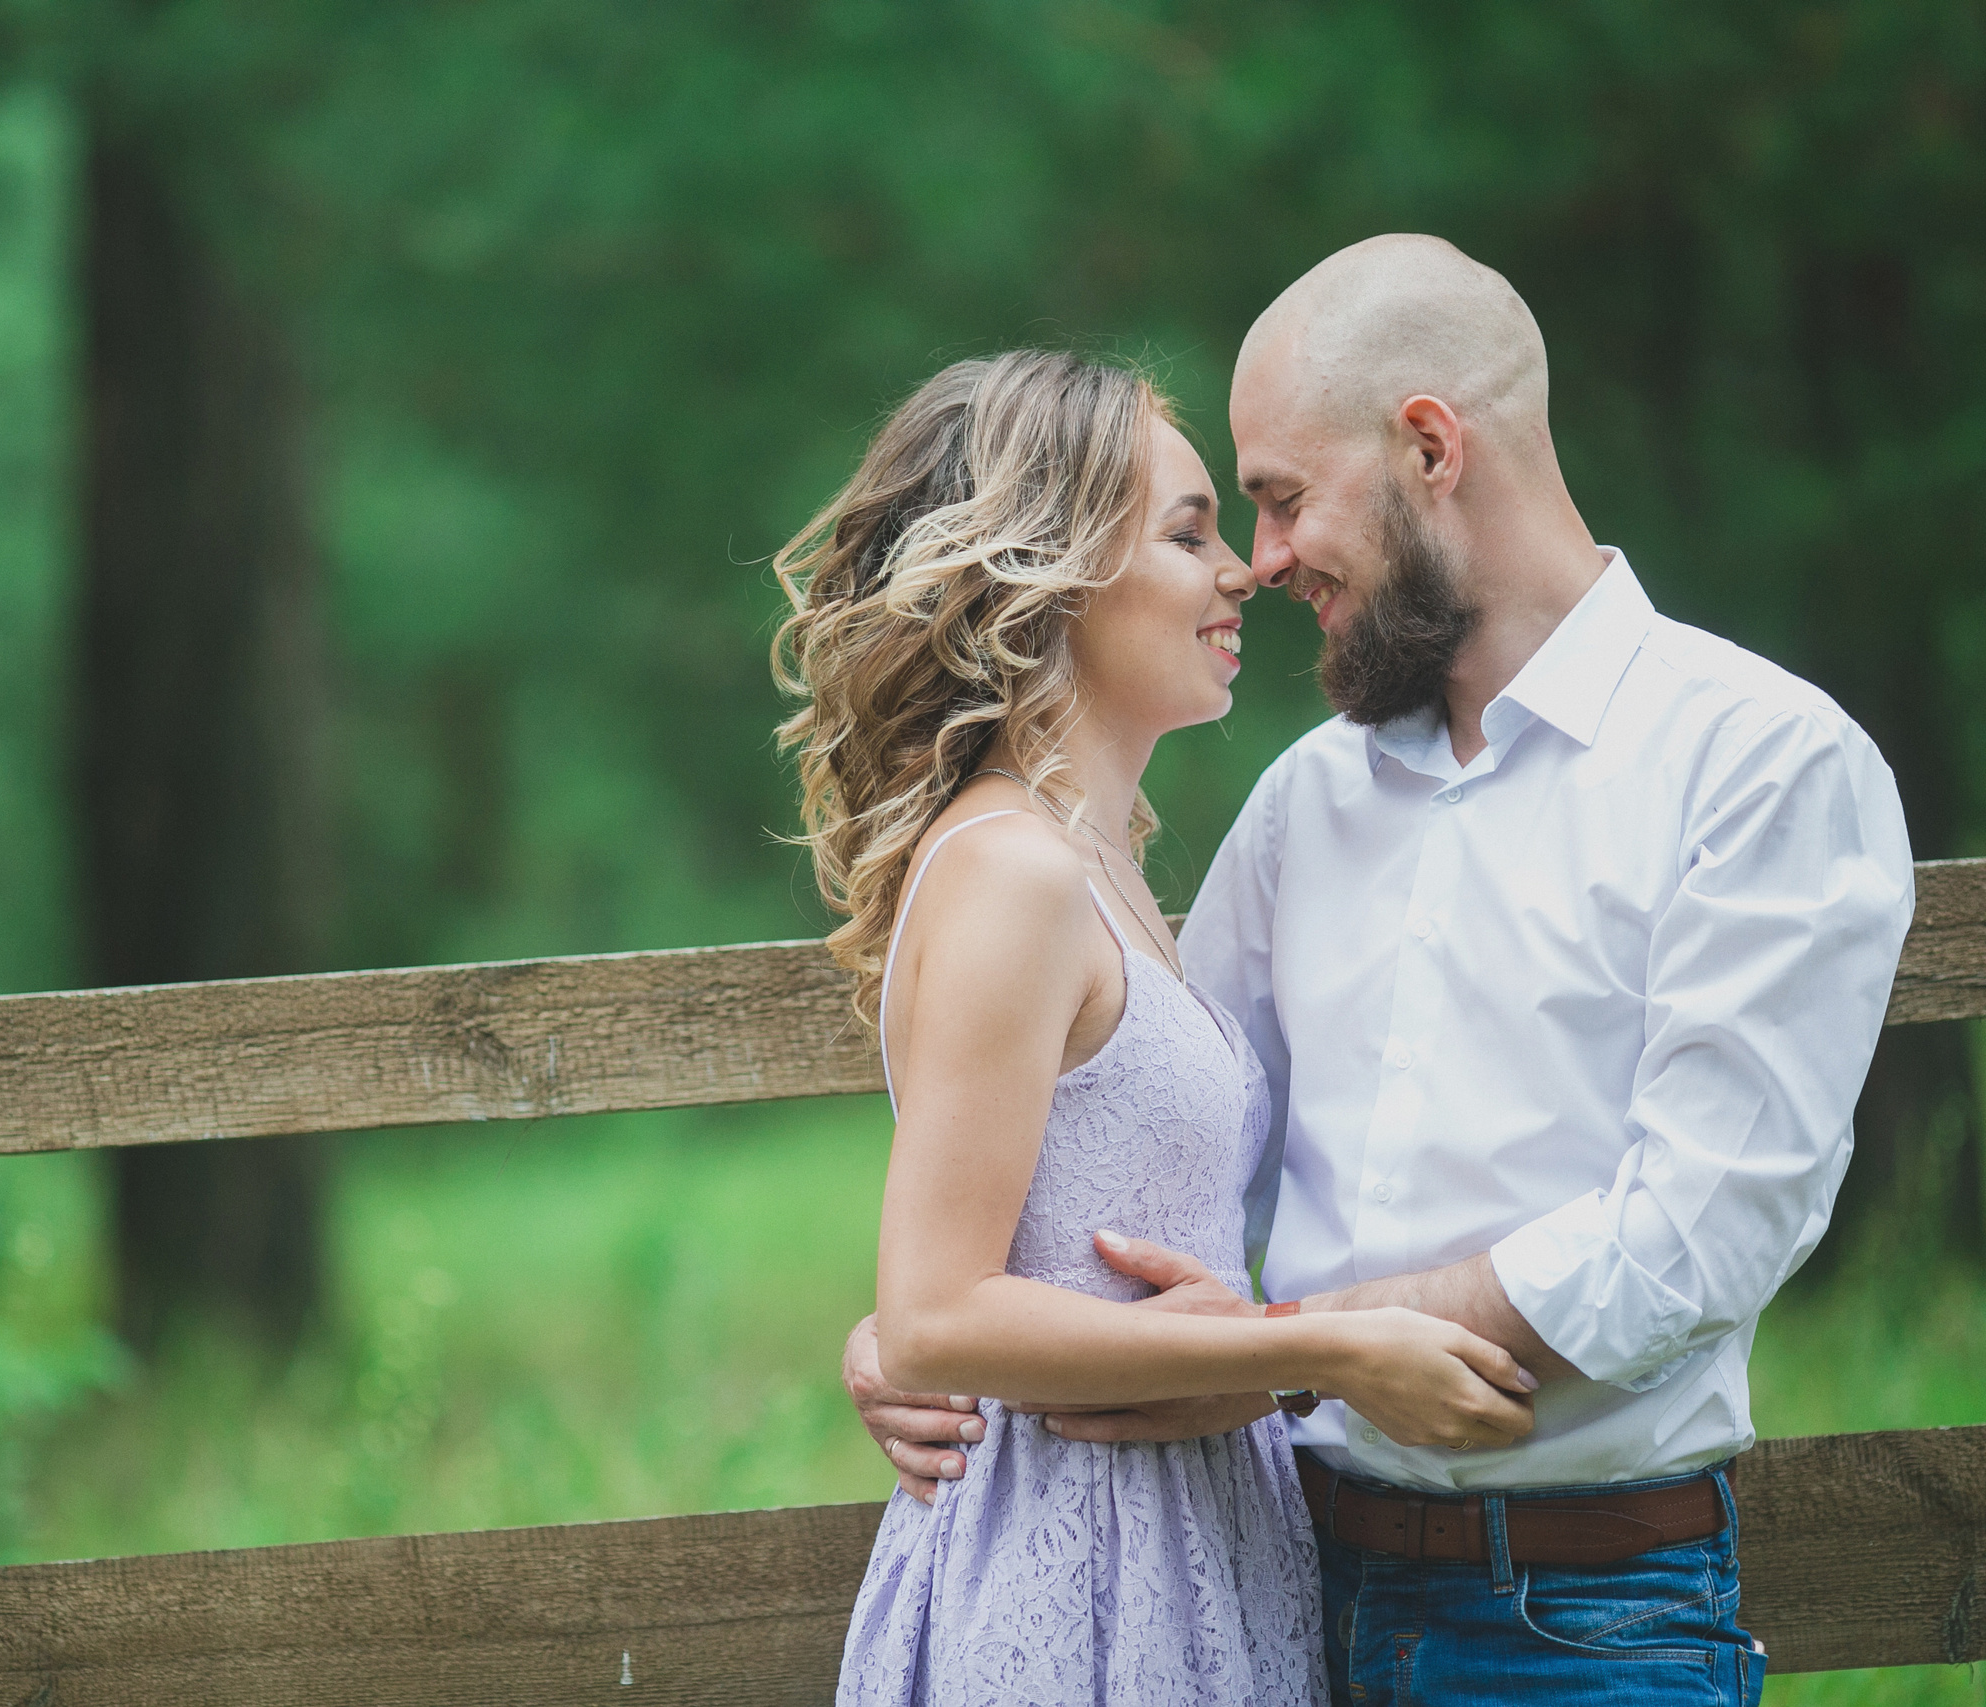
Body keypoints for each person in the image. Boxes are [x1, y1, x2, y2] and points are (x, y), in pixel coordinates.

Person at [842, 238, 1916, 1706]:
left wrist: (1299, 1354)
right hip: (1275, 1581)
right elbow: (1142, 1136)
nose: (1261, 559)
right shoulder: (1308, 804)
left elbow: (1703, 1230)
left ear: (1429, 448)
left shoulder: (1760, 762)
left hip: (1584, 1617)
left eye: (1280, 499)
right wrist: (932, 1332)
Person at [778, 347, 1539, 1707]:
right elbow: (941, 1311)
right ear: (1051, 574)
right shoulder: (1013, 870)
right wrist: (1323, 1347)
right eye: (1190, 534)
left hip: (1185, 1536)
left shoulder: (1105, 862)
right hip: (1073, 1573)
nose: (1243, 569)